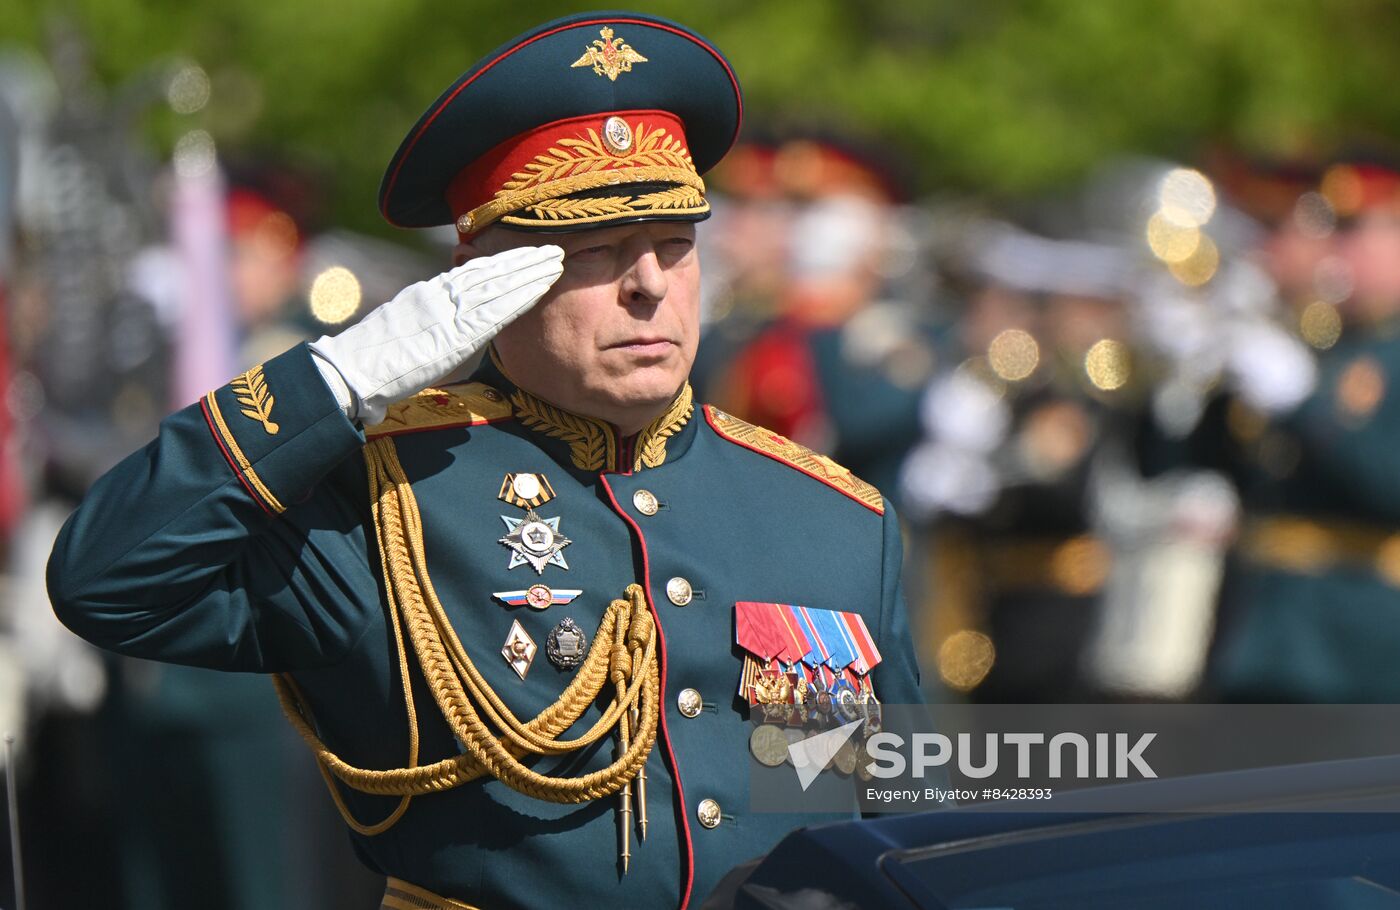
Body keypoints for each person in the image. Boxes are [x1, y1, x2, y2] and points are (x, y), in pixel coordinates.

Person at [46, 11, 923, 909]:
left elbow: (892, 822)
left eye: (674, 244)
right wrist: (331, 382)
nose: (649, 284)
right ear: (485, 272)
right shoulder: (384, 500)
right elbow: (105, 579)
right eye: (597, 250)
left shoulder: (831, 519)